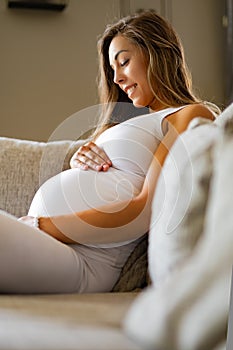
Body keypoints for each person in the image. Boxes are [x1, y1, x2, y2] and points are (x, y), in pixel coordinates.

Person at [0, 10, 218, 294]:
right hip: (55, 245)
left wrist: (41, 224)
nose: (116, 78)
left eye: (124, 62)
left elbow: (144, 211)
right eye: (112, 69)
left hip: (85, 261)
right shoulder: (130, 122)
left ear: (157, 53)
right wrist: (82, 159)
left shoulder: (189, 115)